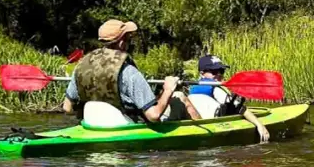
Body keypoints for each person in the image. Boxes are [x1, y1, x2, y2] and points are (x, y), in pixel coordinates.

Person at [63, 19, 201, 123]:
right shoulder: (128, 71)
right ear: (122, 42)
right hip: (128, 124)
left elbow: (67, 108)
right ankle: (206, 140)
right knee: (180, 97)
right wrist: (168, 90)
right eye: (128, 38)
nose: (129, 42)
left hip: (94, 125)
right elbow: (153, 116)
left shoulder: (82, 66)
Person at [190, 55, 270, 143]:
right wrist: (260, 125)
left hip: (201, 123)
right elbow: (239, 108)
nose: (219, 74)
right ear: (202, 73)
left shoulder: (193, 88)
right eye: (214, 71)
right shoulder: (217, 88)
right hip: (215, 125)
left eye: (221, 71)